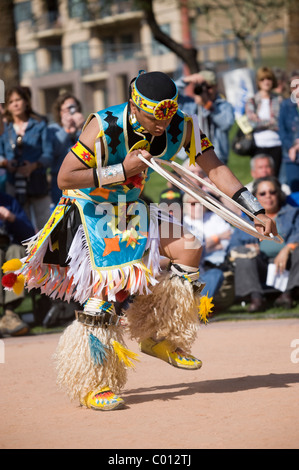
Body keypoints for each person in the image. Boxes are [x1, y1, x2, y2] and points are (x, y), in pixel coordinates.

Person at [3, 70, 277, 411]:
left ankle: (156, 336)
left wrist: (255, 210)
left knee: (189, 247)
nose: (160, 126)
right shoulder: (104, 125)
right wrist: (122, 169)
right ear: (135, 106)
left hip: (129, 208)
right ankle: (95, 383)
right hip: (90, 211)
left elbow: (215, 168)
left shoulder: (182, 125)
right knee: (104, 295)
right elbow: (64, 177)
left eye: (166, 118)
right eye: (152, 118)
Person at [228, 176, 299, 312]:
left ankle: (288, 294)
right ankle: (256, 298)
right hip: (261, 266)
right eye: (263, 193)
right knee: (243, 253)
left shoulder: (293, 213)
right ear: (255, 198)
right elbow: (232, 248)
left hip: (289, 265)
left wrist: (288, 249)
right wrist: (248, 248)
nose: (268, 196)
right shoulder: (247, 220)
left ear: (279, 194)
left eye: (272, 192)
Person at [0, 86, 53, 232]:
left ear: (26, 102)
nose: (15, 104)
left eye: (18, 100)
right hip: (13, 185)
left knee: (47, 229)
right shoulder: (5, 128)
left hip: (38, 183)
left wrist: (34, 165)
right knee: (22, 229)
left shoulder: (40, 125)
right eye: (11, 102)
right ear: (7, 107)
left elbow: (48, 154)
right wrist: (6, 163)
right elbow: (1, 154)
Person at [176, 70, 235, 165]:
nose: (205, 91)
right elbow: (169, 95)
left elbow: (226, 124)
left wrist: (208, 105)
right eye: (202, 87)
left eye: (208, 87)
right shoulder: (189, 103)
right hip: (190, 155)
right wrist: (186, 80)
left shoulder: (224, 105)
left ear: (216, 86)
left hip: (216, 156)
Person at [0, 191, 35, 337]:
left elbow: (29, 234)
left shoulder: (7, 200)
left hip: (8, 245)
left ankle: (9, 314)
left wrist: (11, 217)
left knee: (17, 252)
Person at [48, 92, 85, 205]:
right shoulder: (52, 129)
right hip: (59, 180)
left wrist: (82, 128)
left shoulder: (85, 127)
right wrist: (67, 130)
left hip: (82, 179)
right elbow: (54, 152)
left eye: (74, 107)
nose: (71, 112)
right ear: (60, 112)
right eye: (67, 109)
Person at [245, 66, 283, 176]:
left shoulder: (279, 100)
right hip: (258, 144)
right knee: (260, 177)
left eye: (269, 79)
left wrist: (261, 122)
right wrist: (271, 122)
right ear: (258, 82)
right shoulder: (251, 101)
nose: (266, 82)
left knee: (275, 177)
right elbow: (252, 123)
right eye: (262, 79)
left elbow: (280, 123)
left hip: (276, 144)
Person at [278, 70, 299, 193]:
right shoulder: (286, 105)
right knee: (295, 192)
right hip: (291, 156)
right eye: (294, 86)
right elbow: (282, 130)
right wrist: (291, 147)